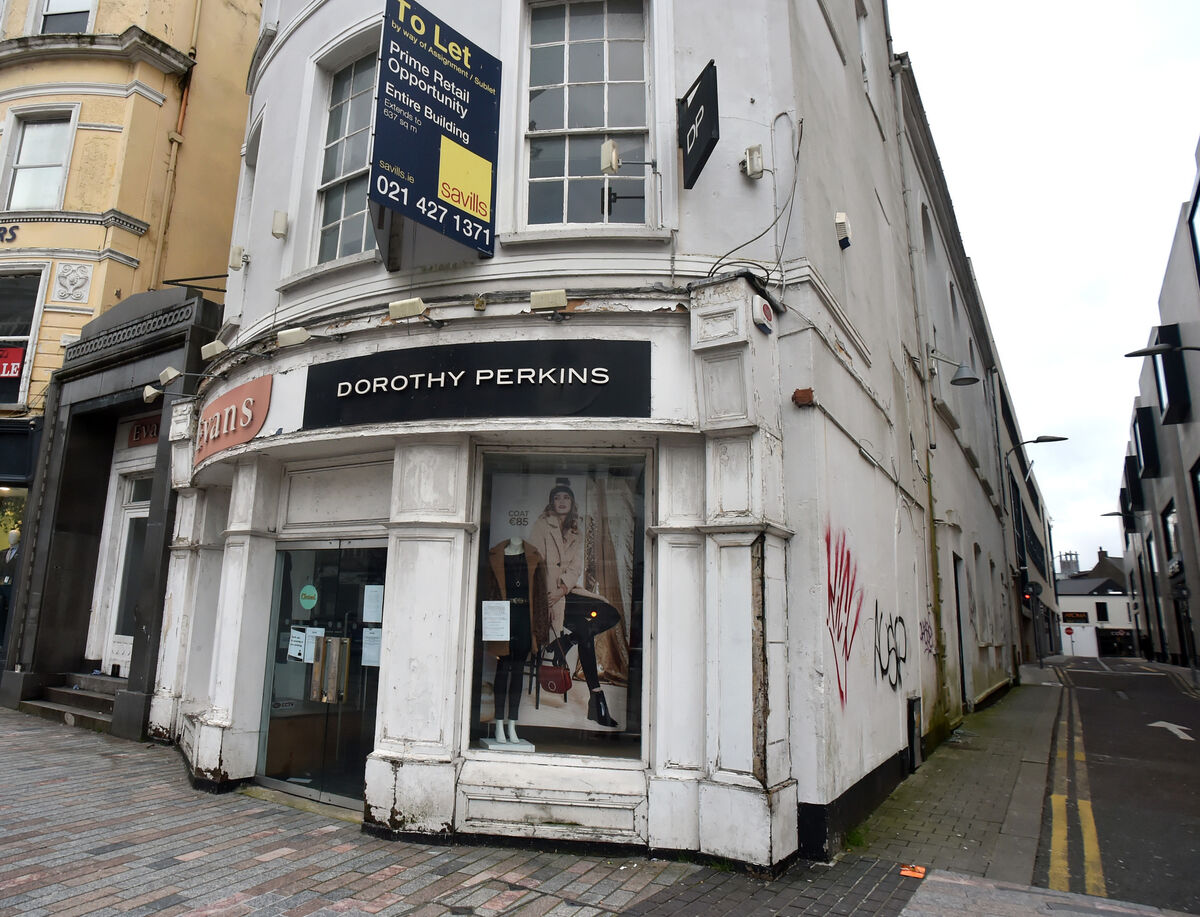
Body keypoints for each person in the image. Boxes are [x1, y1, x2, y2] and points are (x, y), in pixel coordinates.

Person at [528, 479, 621, 728]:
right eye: (557, 497)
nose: (561, 502)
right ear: (552, 501)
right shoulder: (541, 525)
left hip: (566, 592)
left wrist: (562, 588)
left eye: (566, 498)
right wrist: (551, 592)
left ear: (572, 503)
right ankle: (597, 699)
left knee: (610, 614)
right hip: (545, 597)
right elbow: (534, 562)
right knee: (586, 630)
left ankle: (566, 642)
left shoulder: (576, 530)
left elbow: (576, 567)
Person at [483, 536, 548, 744]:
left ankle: (512, 724)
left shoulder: (535, 557)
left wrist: (540, 630)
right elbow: (486, 591)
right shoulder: (495, 555)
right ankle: (499, 724)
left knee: (518, 671)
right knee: (502, 669)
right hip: (502, 617)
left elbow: (540, 597)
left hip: (524, 620)